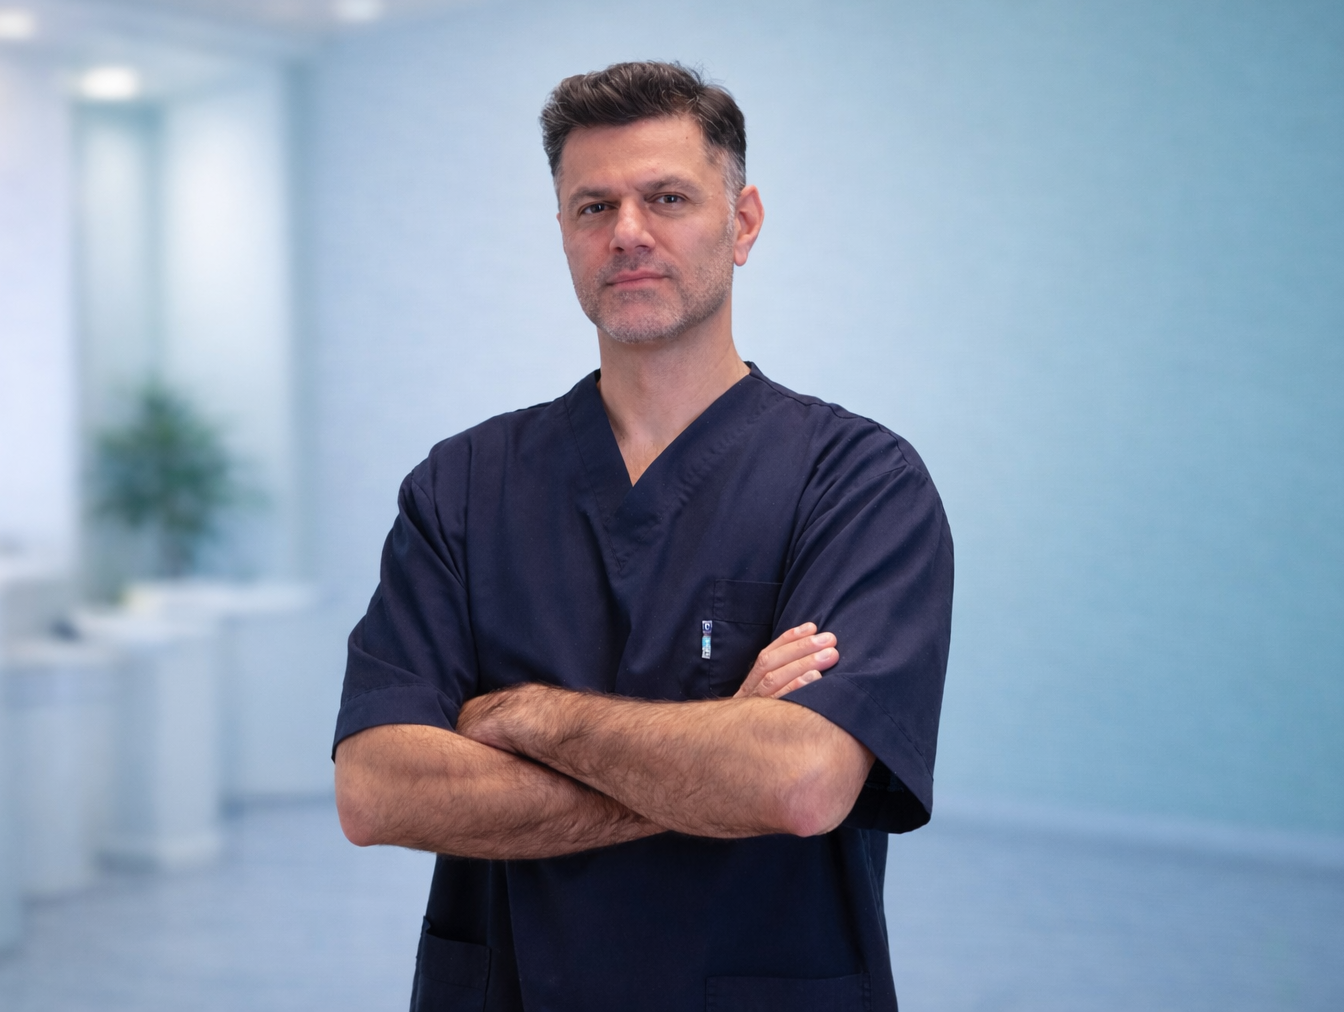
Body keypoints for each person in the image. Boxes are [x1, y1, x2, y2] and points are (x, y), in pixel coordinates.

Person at [332, 60, 953, 1012]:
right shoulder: (459, 486)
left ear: (742, 223)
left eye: (667, 197)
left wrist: (526, 718)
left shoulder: (860, 482)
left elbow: (798, 783)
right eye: (593, 207)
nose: (628, 234)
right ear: (564, 236)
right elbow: (377, 790)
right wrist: (712, 758)